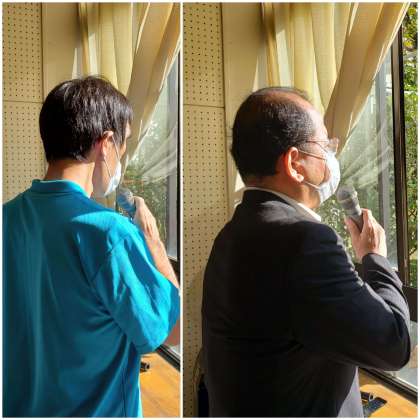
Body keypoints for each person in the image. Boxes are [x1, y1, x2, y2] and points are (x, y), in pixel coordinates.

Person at [201, 87, 411, 417]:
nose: (331, 157)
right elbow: (394, 345)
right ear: (295, 163)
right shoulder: (305, 241)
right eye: (325, 146)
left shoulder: (234, 231)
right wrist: (375, 258)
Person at [3, 76, 180, 417]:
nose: (122, 156)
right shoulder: (108, 232)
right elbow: (170, 332)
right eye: (124, 143)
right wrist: (154, 241)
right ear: (106, 142)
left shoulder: (7, 217)